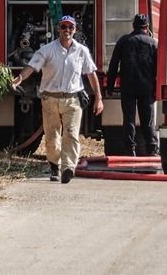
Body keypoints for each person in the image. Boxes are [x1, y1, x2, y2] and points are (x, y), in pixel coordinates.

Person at [11, 15, 104, 183]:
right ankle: (55, 166)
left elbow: (91, 74)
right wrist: (20, 78)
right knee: (52, 135)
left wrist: (99, 97)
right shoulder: (47, 50)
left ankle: (68, 167)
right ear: (58, 29)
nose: (67, 30)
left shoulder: (81, 51)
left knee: (71, 134)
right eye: (64, 27)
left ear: (74, 30)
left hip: (72, 99)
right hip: (50, 99)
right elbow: (32, 66)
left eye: (70, 27)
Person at [106, 13, 159, 157]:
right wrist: (157, 88)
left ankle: (130, 149)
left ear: (133, 26)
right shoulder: (153, 43)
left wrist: (109, 87)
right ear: (147, 27)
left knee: (128, 119)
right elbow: (158, 68)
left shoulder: (124, 41)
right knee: (147, 120)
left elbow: (113, 65)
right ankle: (152, 148)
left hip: (128, 86)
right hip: (147, 87)